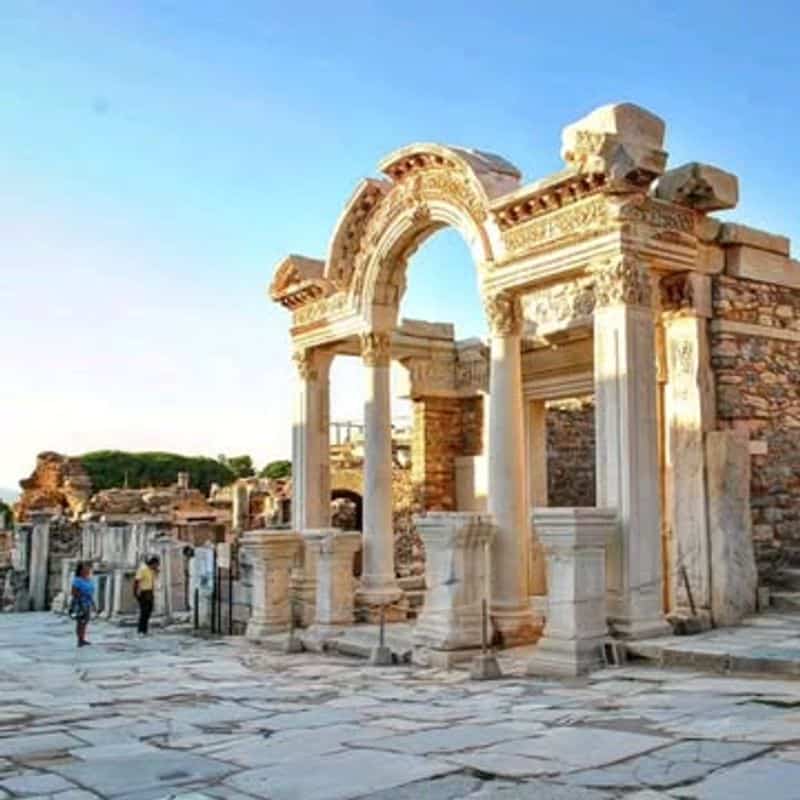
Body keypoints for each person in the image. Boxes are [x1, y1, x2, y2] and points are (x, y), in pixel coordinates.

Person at [70, 561, 95, 647]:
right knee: (80, 622)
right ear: (81, 570)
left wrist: (92, 602)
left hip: (87, 602)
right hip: (80, 603)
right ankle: (79, 640)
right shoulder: (77, 580)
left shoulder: (88, 580)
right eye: (85, 568)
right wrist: (82, 596)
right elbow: (73, 592)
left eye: (88, 568)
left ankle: (82, 638)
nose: (87, 570)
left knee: (85, 622)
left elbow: (91, 592)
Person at [133, 555, 160, 636]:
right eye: (156, 564)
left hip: (150, 592)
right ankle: (141, 630)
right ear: (153, 563)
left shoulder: (152, 570)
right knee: (144, 612)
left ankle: (145, 629)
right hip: (143, 592)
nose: (157, 566)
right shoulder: (143, 569)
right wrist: (135, 593)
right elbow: (136, 581)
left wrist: (156, 571)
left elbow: (155, 578)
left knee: (149, 611)